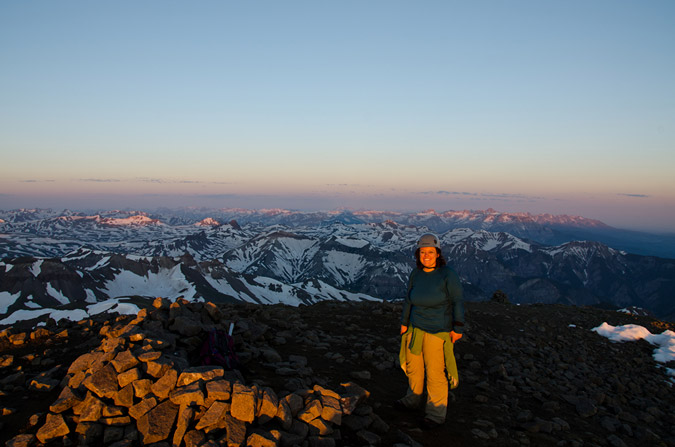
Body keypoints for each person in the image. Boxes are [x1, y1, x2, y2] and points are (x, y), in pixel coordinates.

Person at [396, 233, 465, 429]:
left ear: (438, 254)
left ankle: (435, 414)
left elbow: (457, 300)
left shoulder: (447, 274)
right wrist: (404, 322)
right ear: (418, 254)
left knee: (435, 373)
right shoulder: (416, 274)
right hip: (414, 329)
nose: (426, 255)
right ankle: (413, 399)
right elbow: (409, 299)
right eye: (423, 252)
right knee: (414, 368)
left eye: (430, 252)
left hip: (437, 331)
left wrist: (458, 326)